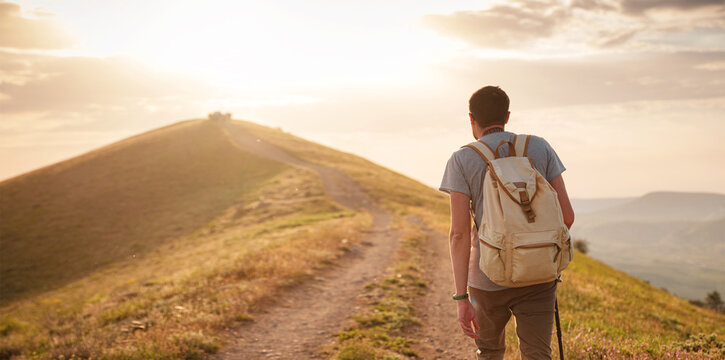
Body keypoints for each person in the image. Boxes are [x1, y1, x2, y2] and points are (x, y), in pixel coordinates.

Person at [438, 86, 575, 360]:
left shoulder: (462, 159)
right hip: (538, 276)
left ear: (471, 118)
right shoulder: (539, 147)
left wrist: (461, 297)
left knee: (489, 353)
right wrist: (535, 249)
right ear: (508, 116)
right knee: (538, 354)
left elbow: (459, 235)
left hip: (486, 279)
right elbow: (566, 217)